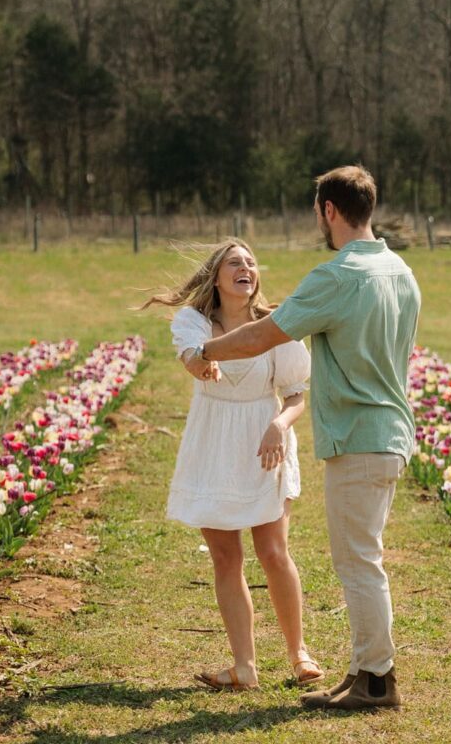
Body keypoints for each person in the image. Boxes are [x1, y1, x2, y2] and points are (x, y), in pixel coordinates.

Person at [188, 166, 421, 711]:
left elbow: (263, 335)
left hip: (359, 436)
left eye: (318, 211)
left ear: (329, 211)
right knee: (363, 556)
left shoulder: (336, 276)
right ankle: (364, 669)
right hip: (391, 430)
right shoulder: (401, 271)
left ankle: (376, 682)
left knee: (359, 561)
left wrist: (205, 352)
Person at [143, 238, 323, 690]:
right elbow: (192, 361)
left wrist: (280, 425)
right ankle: (244, 666)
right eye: (234, 262)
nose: (246, 267)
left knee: (273, 552)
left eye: (250, 261)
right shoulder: (194, 322)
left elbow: (298, 394)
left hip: (264, 438)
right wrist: (204, 363)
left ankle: (299, 653)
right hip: (213, 441)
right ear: (217, 277)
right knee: (226, 557)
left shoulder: (276, 326)